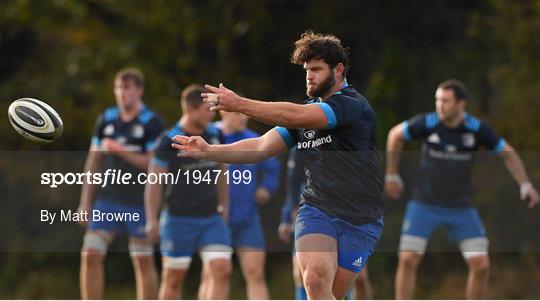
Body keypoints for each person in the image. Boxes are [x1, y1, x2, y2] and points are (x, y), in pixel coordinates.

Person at [171, 31, 385, 299]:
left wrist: (239, 104)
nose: (309, 75)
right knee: (316, 279)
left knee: (334, 293)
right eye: (307, 70)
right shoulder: (306, 115)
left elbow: (292, 114)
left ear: (339, 70)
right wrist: (209, 151)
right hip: (317, 209)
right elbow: (261, 146)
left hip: (361, 218)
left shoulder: (351, 106)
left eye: (317, 69)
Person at [385, 79, 540, 299]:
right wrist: (392, 174)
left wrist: (525, 184)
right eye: (437, 100)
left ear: (461, 104)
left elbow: (507, 152)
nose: (440, 105)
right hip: (424, 203)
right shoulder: (427, 123)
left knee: (481, 264)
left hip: (460, 207)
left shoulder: (476, 129)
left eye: (446, 101)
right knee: (408, 258)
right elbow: (395, 135)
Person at [78, 67, 164, 299]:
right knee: (90, 254)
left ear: (140, 91)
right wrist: (85, 202)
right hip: (109, 200)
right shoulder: (106, 119)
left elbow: (154, 165)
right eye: (118, 87)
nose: (121, 93)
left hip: (139, 201)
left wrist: (120, 150)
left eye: (126, 88)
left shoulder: (151, 122)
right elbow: (93, 163)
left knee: (143, 260)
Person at [144, 84, 232, 300]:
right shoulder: (169, 140)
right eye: (207, 109)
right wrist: (151, 219)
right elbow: (154, 182)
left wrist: (225, 205)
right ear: (191, 109)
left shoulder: (215, 134)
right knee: (174, 278)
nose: (212, 114)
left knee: (222, 269)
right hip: (178, 219)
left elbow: (222, 172)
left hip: (211, 217)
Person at [200, 111, 280, 299]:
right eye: (237, 114)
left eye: (245, 114)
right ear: (223, 113)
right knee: (214, 274)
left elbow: (272, 170)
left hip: (247, 218)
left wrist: (266, 188)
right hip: (216, 220)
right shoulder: (209, 137)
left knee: (256, 273)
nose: (243, 118)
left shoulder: (254, 140)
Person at [279, 149, 374, 300]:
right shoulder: (303, 138)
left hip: (349, 214)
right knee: (303, 275)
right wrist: (287, 217)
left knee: (357, 277)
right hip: (312, 213)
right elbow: (293, 179)